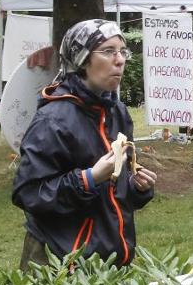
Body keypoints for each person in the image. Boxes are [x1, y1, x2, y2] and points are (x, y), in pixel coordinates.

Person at [12, 19, 156, 268]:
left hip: (108, 260)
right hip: (58, 261)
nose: (120, 60)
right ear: (82, 59)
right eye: (109, 51)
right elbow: (29, 194)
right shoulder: (53, 119)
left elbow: (114, 192)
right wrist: (88, 179)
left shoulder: (117, 112)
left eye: (122, 51)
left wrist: (135, 187)